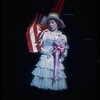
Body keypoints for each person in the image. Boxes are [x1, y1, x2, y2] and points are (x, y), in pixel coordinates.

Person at [30, 12, 69, 91]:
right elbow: (38, 47)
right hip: (45, 59)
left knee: (54, 85)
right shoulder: (45, 34)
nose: (50, 25)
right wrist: (46, 51)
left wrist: (61, 52)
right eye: (49, 23)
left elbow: (65, 51)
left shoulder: (63, 36)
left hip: (56, 61)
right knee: (43, 81)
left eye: (52, 22)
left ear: (57, 23)